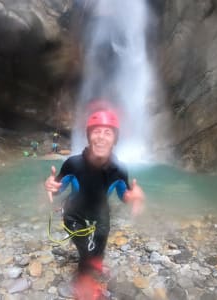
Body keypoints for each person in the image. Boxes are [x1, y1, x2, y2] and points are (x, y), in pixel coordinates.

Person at [45, 109, 144, 299]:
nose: (101, 137)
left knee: (101, 240)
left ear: (115, 139)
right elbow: (57, 187)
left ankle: (96, 262)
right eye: (96, 131)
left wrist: (132, 197)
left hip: (100, 213)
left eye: (108, 132)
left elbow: (124, 193)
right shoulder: (73, 164)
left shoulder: (119, 169)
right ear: (88, 136)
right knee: (87, 251)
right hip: (74, 214)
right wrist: (50, 185)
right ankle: (84, 284)